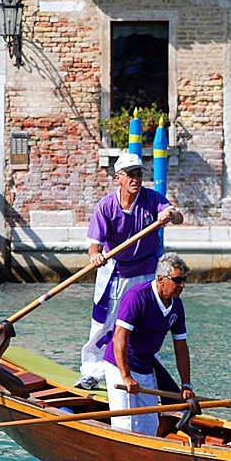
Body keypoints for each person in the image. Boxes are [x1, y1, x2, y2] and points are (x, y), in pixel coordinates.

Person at [76, 152, 183, 390]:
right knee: (105, 324)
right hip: (116, 272)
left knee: (146, 322)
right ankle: (92, 372)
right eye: (130, 174)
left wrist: (170, 214)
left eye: (139, 174)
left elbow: (178, 217)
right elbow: (94, 245)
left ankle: (144, 370)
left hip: (146, 271)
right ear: (118, 178)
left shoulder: (151, 198)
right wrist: (95, 256)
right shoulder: (106, 206)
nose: (136, 179)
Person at [102, 253, 196, 435]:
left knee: (149, 425)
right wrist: (126, 376)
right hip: (120, 366)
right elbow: (119, 338)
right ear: (161, 279)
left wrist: (186, 384)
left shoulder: (177, 306)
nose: (182, 285)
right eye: (177, 280)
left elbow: (181, 347)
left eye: (184, 280)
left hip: (145, 367)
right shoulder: (137, 297)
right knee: (125, 425)